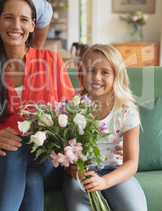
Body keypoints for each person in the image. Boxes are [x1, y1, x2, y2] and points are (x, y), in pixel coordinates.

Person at [0, 0, 75, 210]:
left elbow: (70, 112)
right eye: (8, 17)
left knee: (21, 145)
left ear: (33, 25)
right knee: (27, 173)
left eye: (24, 19)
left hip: (46, 160)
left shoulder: (51, 61)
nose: (16, 25)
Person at [63, 44, 147, 211]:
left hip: (116, 172)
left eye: (105, 72)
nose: (96, 77)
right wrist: (70, 169)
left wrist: (105, 182)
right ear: (81, 73)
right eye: (91, 70)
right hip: (82, 175)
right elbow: (65, 152)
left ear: (117, 76)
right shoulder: (73, 107)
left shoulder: (125, 112)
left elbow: (131, 163)